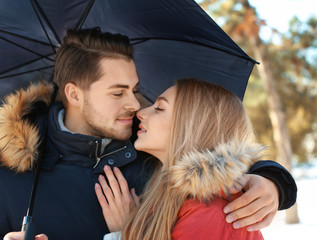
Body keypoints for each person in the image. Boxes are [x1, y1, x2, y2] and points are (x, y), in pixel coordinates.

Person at [0, 28, 297, 240]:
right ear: (75, 94)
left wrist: (272, 180)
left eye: (135, 90)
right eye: (118, 93)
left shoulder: (151, 151)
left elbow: (214, 154)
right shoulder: (12, 174)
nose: (134, 105)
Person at [97, 78, 268, 239]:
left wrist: (123, 233)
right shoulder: (177, 199)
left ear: (193, 127)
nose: (141, 113)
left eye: (159, 109)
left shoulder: (209, 212)